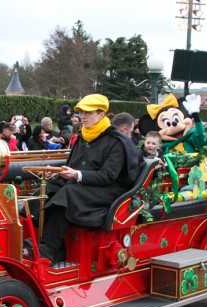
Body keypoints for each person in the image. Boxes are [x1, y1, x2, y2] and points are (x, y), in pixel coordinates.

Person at [36, 94, 142, 265]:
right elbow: (73, 165)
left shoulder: (116, 141)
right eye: (82, 112)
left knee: (68, 194)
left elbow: (108, 176)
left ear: (101, 115)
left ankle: (47, 250)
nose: (83, 116)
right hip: (85, 186)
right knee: (46, 189)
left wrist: (76, 174)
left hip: (109, 191)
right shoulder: (83, 137)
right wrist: (57, 173)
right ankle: (40, 242)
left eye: (88, 113)